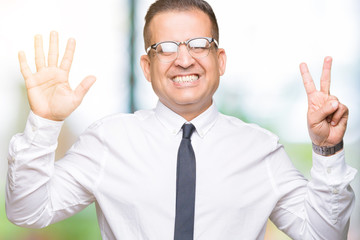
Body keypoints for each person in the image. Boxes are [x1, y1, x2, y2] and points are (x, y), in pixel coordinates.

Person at [6, 0, 357, 239]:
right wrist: (45, 122)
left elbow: (323, 234)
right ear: (147, 66)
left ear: (220, 60)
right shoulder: (108, 140)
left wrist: (329, 152)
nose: (184, 60)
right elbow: (27, 211)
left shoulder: (261, 148)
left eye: (199, 44)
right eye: (167, 48)